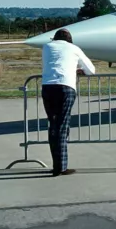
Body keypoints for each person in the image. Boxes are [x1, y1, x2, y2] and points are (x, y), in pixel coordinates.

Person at [41, 28, 96, 176]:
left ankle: (56, 164)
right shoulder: (74, 48)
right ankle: (61, 167)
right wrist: (78, 70)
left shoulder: (47, 47)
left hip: (47, 87)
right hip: (66, 87)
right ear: (69, 40)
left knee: (53, 125)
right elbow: (91, 70)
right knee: (62, 126)